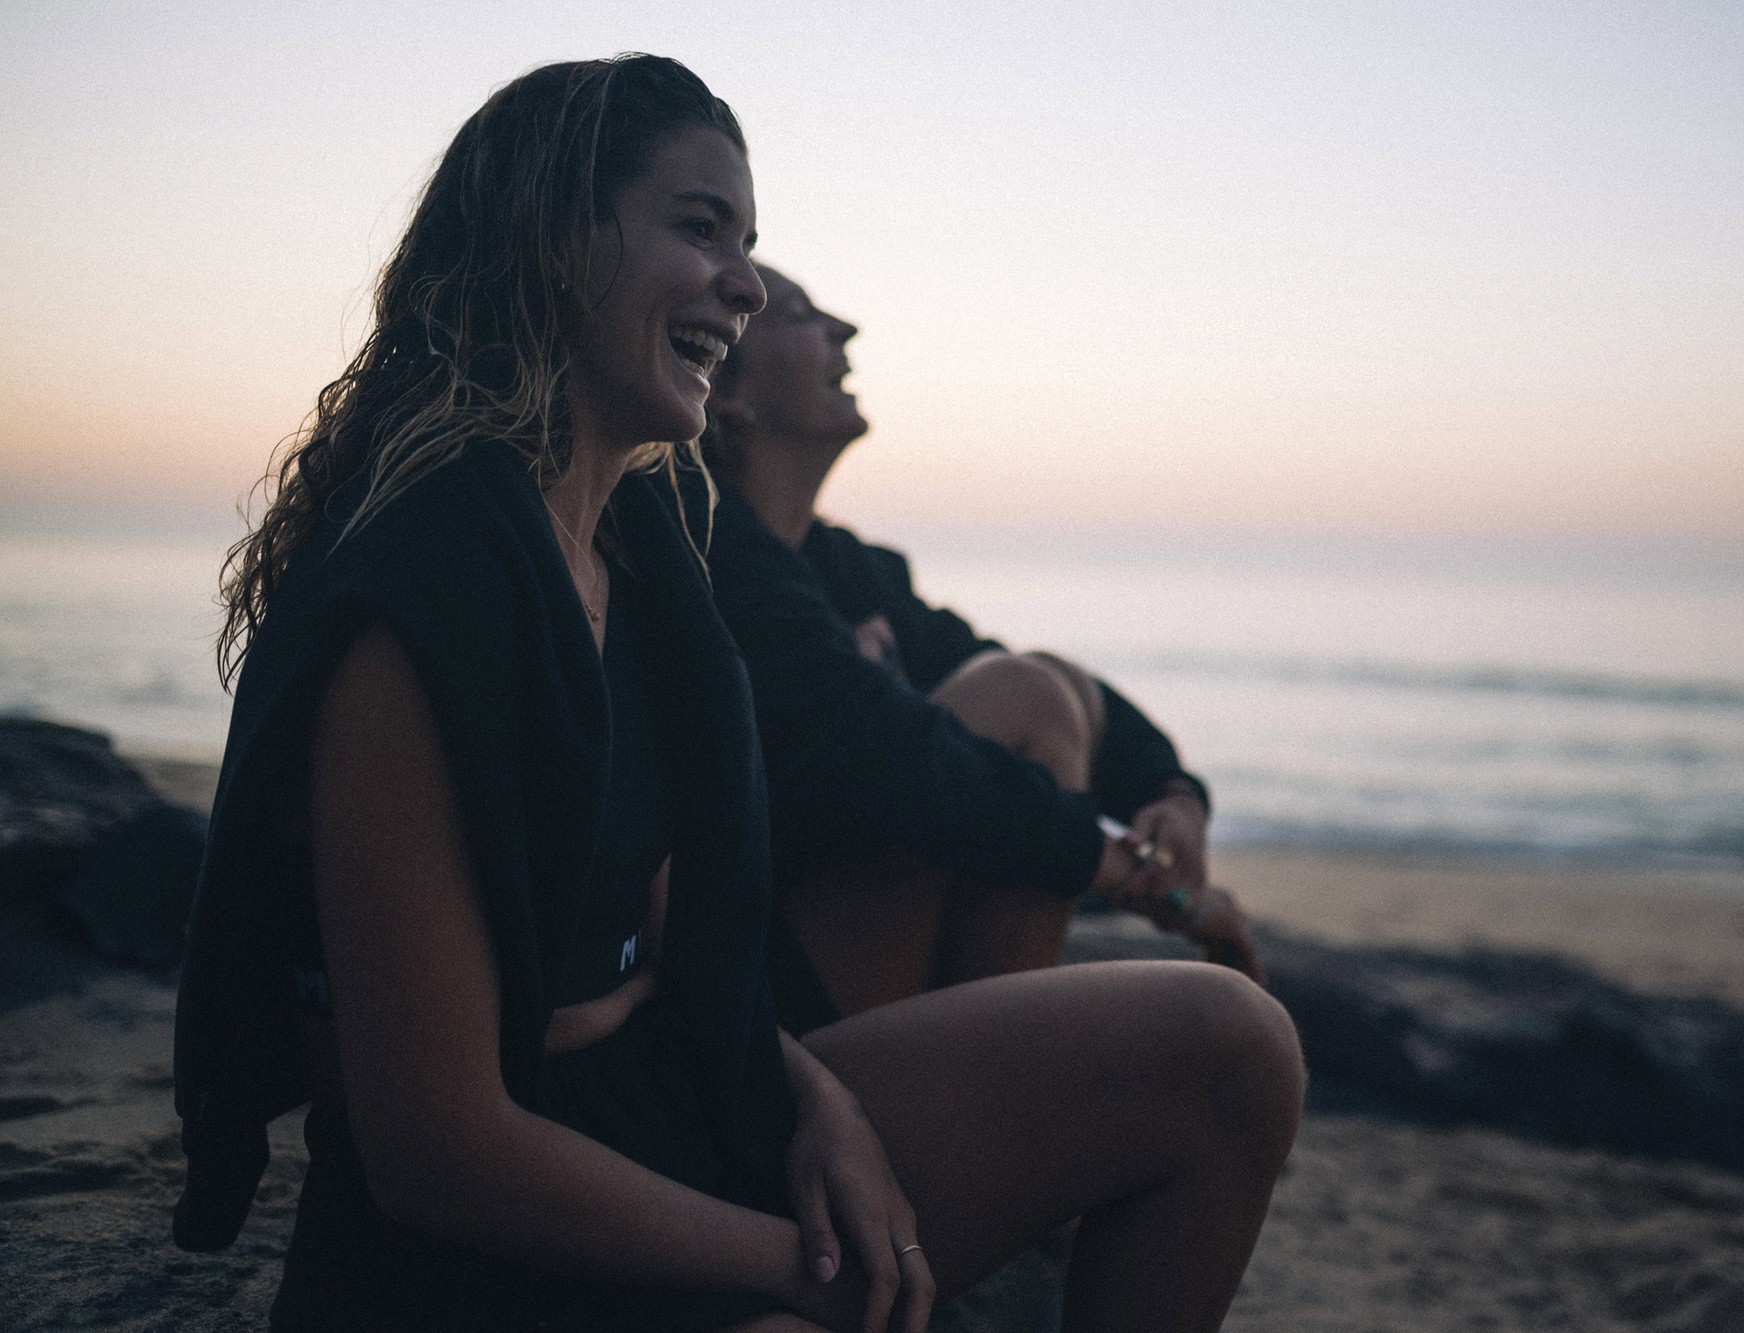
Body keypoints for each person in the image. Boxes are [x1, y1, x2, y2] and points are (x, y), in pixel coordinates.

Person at [174, 54, 1302, 1333]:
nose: (747, 284)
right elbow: (436, 1150)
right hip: (491, 1229)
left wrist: (825, 1107)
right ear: (554, 242)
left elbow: (680, 959)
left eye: (748, 245)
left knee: (1233, 1044)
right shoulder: (425, 596)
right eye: (701, 228)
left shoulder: (645, 556)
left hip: (684, 1085)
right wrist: (787, 1267)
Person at [700, 265, 1262, 1032]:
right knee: (1019, 695)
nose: (844, 329)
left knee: (1040, 681)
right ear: (727, 392)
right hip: (765, 990)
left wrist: (1171, 795)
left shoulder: (848, 569)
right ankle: (990, 1053)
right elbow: (892, 757)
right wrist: (1147, 882)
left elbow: (1055, 685)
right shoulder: (712, 552)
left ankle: (991, 1046)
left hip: (852, 958)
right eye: (799, 314)